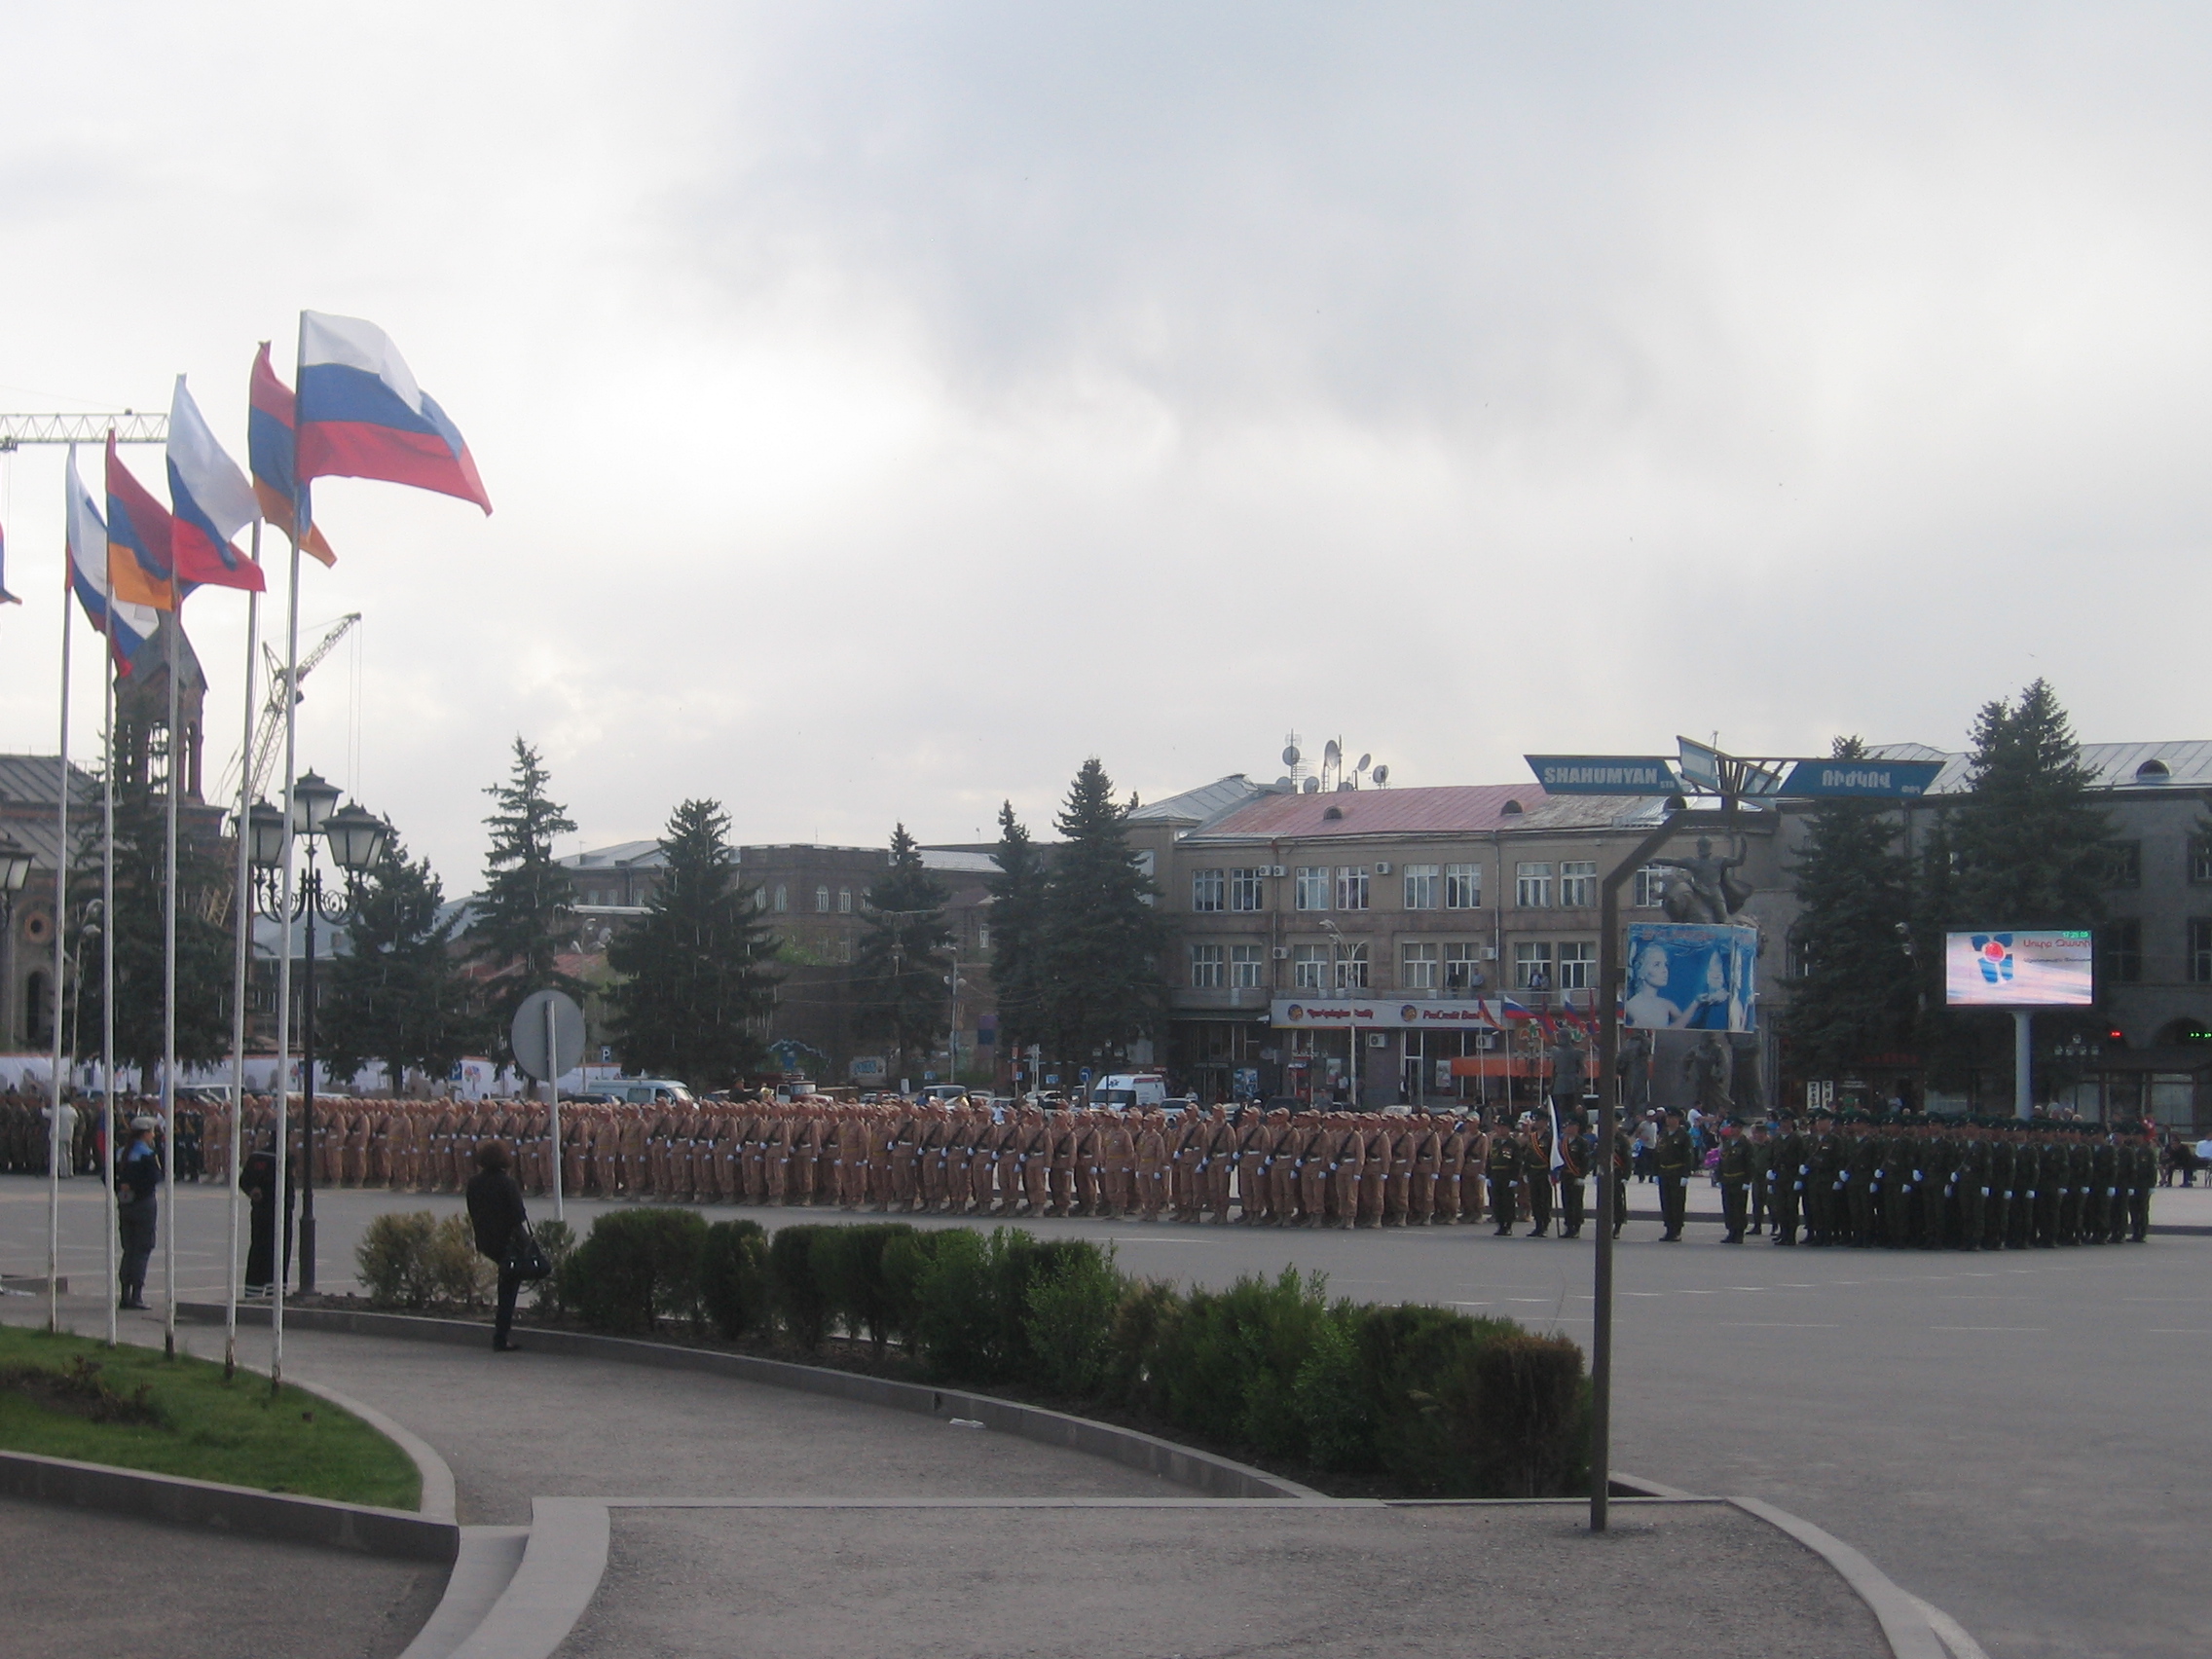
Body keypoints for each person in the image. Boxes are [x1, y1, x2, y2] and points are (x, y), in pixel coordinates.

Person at [465, 1140, 532, 1352]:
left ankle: (501, 1335)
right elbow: (518, 1215)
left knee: (506, 1283)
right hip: (507, 1241)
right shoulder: (507, 1183)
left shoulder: (474, 1182)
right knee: (508, 1289)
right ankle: (501, 1336)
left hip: (486, 1239)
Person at [115, 1115, 163, 1310]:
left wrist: (121, 1187)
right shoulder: (147, 1154)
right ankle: (136, 1295)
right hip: (143, 1204)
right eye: (152, 1132)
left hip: (125, 1204)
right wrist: (136, 1188)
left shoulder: (120, 1152)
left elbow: (106, 1176)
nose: (153, 1136)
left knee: (129, 1249)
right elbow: (154, 1178)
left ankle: (124, 1294)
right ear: (145, 1134)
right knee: (142, 1249)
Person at [240, 1139, 294, 1295]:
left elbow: (244, 1180)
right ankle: (275, 1291)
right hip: (280, 1211)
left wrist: (252, 1190)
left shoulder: (257, 1155)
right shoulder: (284, 1157)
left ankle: (253, 1290)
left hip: (260, 1211)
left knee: (258, 1250)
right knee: (279, 1251)